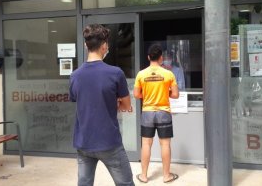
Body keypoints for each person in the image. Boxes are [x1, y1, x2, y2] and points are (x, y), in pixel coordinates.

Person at [69, 24, 134, 186]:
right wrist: (116, 102)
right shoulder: (115, 73)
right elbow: (126, 105)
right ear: (105, 46)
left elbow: (79, 99)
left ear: (86, 45)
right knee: (126, 183)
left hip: (83, 142)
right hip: (109, 142)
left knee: (84, 183)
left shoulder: (75, 76)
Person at [133, 44, 180, 184]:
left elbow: (136, 95)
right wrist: (166, 93)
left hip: (147, 112)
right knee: (165, 144)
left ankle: (144, 176)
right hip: (163, 112)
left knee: (146, 144)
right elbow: (176, 94)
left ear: (148, 57)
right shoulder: (168, 74)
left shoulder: (141, 74)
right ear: (161, 58)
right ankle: (166, 176)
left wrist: (147, 94)